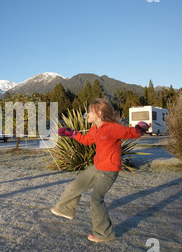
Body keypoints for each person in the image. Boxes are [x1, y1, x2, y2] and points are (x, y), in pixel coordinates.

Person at [51, 99, 149, 243]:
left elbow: (129, 133)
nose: (87, 114)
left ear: (100, 113)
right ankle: (65, 209)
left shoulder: (112, 127)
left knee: (96, 200)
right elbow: (86, 140)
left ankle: (104, 233)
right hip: (97, 167)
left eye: (90, 111)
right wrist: (72, 134)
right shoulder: (95, 129)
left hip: (108, 170)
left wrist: (139, 129)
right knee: (75, 186)